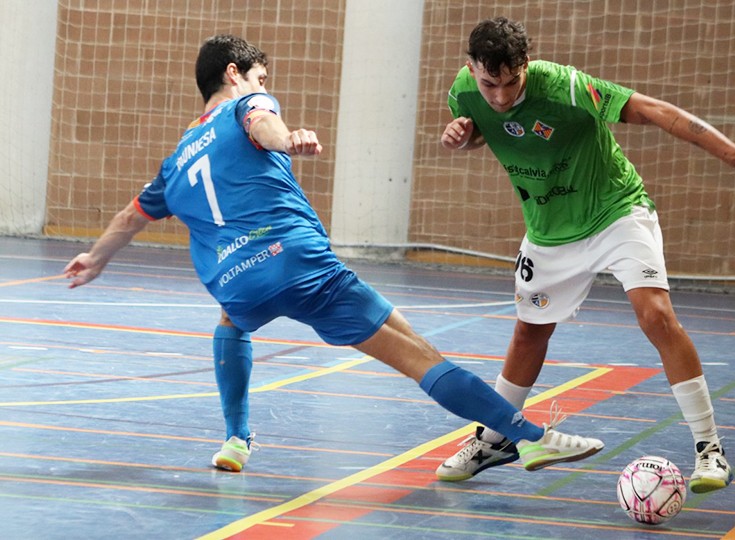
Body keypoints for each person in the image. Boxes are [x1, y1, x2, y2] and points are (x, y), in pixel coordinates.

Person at [64, 34, 604, 475]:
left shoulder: (178, 156)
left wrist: (94, 259)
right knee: (419, 358)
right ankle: (530, 438)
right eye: (260, 77)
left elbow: (132, 216)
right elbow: (261, 123)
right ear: (234, 74)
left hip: (234, 278)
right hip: (297, 263)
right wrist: (288, 138)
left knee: (233, 319)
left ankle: (235, 437)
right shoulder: (246, 105)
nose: (263, 87)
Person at [437, 17, 735, 492]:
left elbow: (656, 110)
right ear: (471, 69)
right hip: (549, 226)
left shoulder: (568, 88)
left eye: (512, 81)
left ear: (527, 65)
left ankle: (710, 450)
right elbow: (489, 127)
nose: (500, 95)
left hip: (616, 211)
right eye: (489, 83)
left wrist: (734, 154)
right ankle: (496, 438)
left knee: (656, 316)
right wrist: (465, 136)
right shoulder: (463, 92)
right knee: (527, 335)